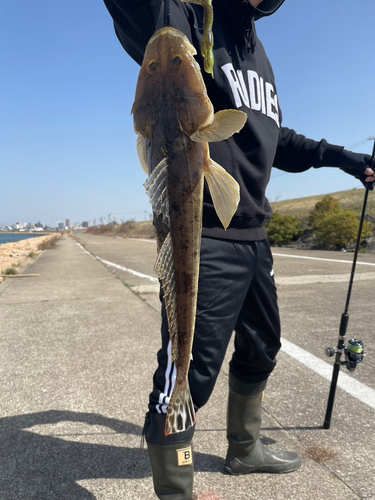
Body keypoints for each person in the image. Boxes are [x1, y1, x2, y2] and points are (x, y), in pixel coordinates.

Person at [102, 1, 375, 498]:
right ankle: (175, 489)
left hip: (254, 234)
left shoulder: (258, 54)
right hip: (203, 233)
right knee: (186, 377)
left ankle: (245, 448)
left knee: (261, 348)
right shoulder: (188, 20)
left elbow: (273, 137)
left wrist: (344, 159)